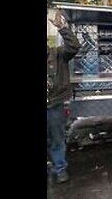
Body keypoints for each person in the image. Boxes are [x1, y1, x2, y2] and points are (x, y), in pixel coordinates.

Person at [47, 11, 81, 183]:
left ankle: (59, 168)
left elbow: (74, 46)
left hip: (54, 105)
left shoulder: (58, 54)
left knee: (57, 138)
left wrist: (62, 28)